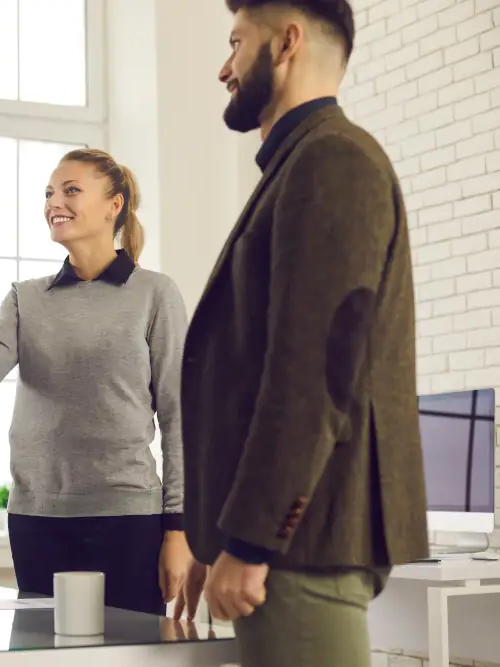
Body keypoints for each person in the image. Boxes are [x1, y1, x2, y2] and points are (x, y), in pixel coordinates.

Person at [174, 1, 428, 665]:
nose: (223, 68)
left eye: (237, 42)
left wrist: (251, 541)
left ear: (286, 43)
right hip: (288, 550)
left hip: (299, 548)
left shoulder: (332, 162)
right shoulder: (305, 163)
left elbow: (313, 373)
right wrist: (220, 540)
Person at [0, 148, 192, 616]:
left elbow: (179, 415)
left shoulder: (155, 293)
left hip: (127, 518)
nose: (54, 202)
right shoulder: (27, 297)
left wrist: (178, 529)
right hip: (36, 517)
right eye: (49, 193)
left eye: (71, 190)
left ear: (115, 205)